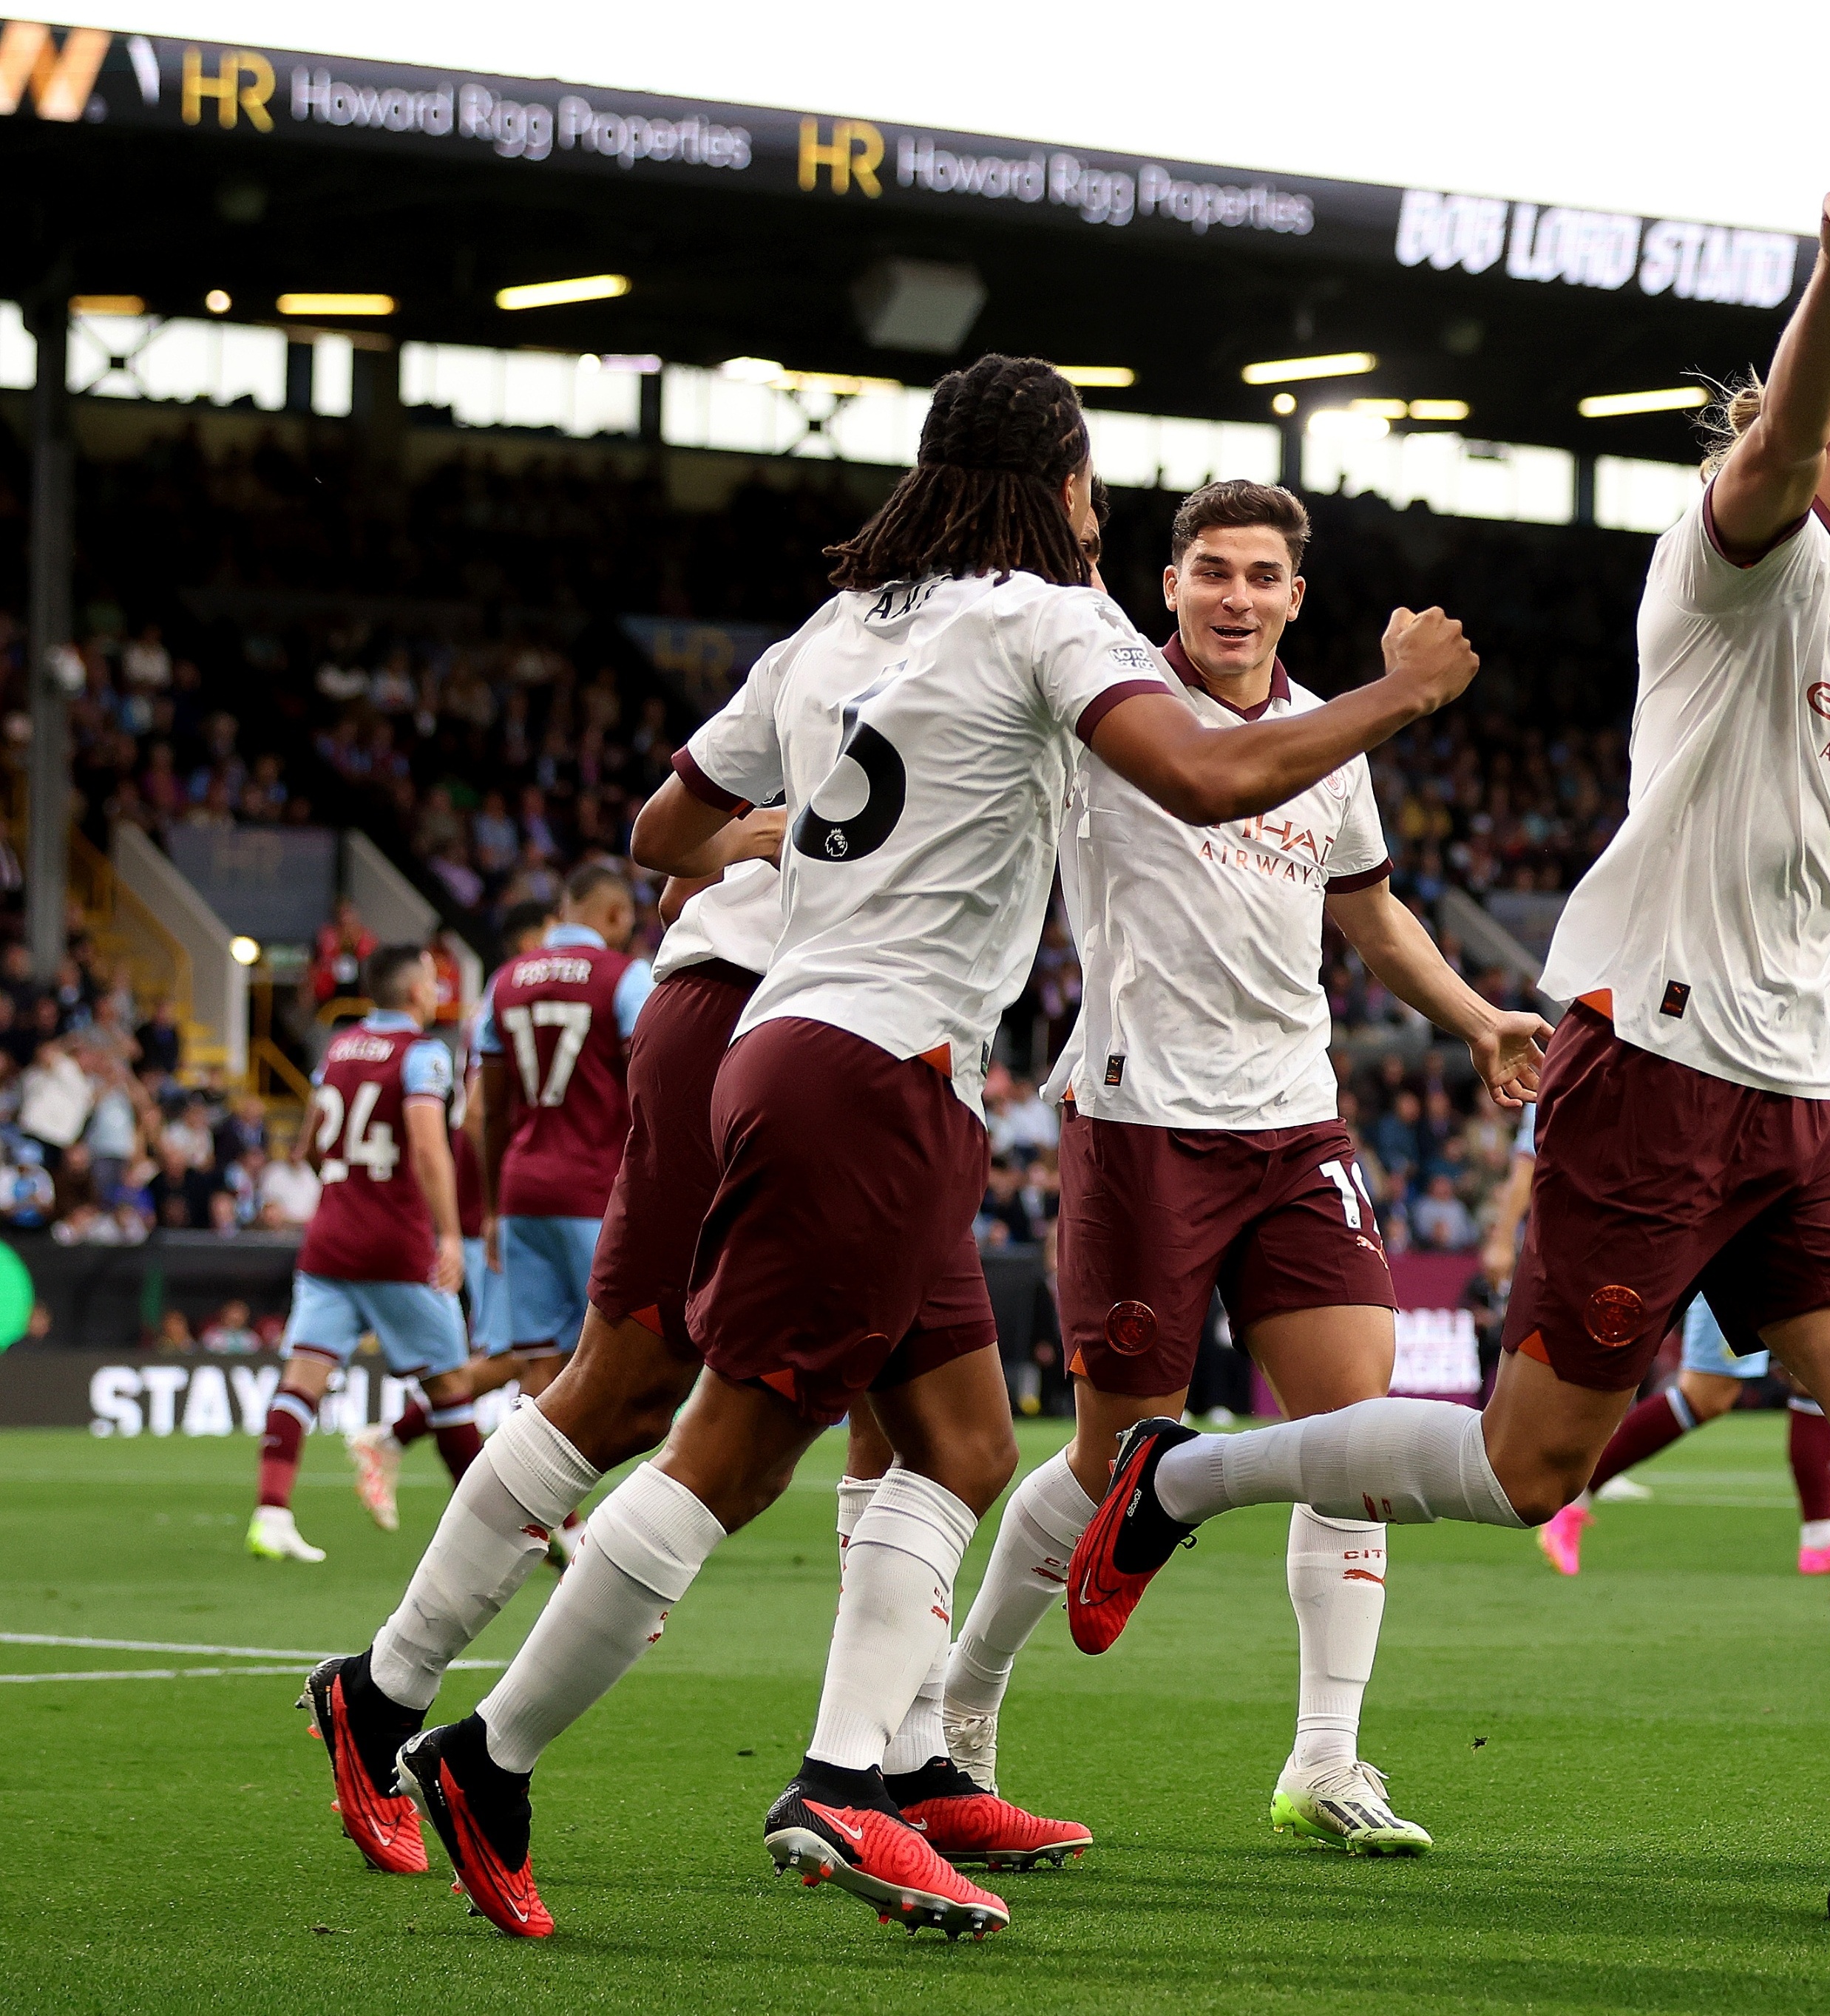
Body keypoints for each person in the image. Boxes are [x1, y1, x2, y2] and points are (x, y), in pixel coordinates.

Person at [1062, 109, 1830, 1929]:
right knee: (1523, 1459)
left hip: (1803, 1078)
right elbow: (1782, 437)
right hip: (1651, 1049)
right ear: (1806, 409)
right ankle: (1183, 1480)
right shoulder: (1738, 547)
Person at [371, 356, 1480, 1942]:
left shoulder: (834, 629)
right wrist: (1402, 691)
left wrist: (790, 851)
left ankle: (858, 1771)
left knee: (962, 1441)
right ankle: (491, 1752)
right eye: (1092, 483)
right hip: (878, 1073)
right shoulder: (1050, 616)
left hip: (803, 1042)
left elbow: (660, 837)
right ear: (1061, 490)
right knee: (731, 1450)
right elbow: (1218, 772)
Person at [940, 478, 1543, 1859]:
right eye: (1210, 570)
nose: (1235, 597)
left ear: (1294, 596)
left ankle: (1326, 1757)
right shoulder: (1111, 714)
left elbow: (1367, 908)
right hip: (1142, 1120)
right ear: (1167, 586)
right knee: (1111, 1459)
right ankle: (957, 1705)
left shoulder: (1332, 737)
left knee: (1358, 1437)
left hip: (1294, 1123)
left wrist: (1471, 1017)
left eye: (1262, 577)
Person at [251, 948, 472, 1576]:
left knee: (302, 1379)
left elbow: (310, 1145)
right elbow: (429, 1148)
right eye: (432, 978)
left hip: (331, 1239)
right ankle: (493, 1536)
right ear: (414, 991)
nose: (437, 988)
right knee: (452, 1387)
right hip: (397, 1246)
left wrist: (344, 1185)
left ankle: (272, 1515)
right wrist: (449, 1234)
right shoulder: (424, 1052)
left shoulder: (341, 1046)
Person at [348, 906, 549, 1527]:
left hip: (510, 1195)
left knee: (538, 1351)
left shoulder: (508, 1001)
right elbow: (474, 1114)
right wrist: (492, 1201)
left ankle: (398, 1438)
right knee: (529, 1352)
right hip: (498, 1201)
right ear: (525, 942)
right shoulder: (510, 1000)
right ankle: (534, 1507)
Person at [465, 865, 653, 1405]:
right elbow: (648, 1088)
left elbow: (490, 1111)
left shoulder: (503, 982)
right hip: (596, 1193)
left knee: (539, 1362)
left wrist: (494, 1206)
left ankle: (526, 1491)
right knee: (622, 1359)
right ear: (616, 915)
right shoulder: (625, 977)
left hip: (522, 1190)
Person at [1535, 1294, 1830, 1578]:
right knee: (1706, 1395)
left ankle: (1820, 1539)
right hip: (1735, 1255)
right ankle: (1576, 1495)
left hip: (1796, 1252)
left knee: (1815, 1375)